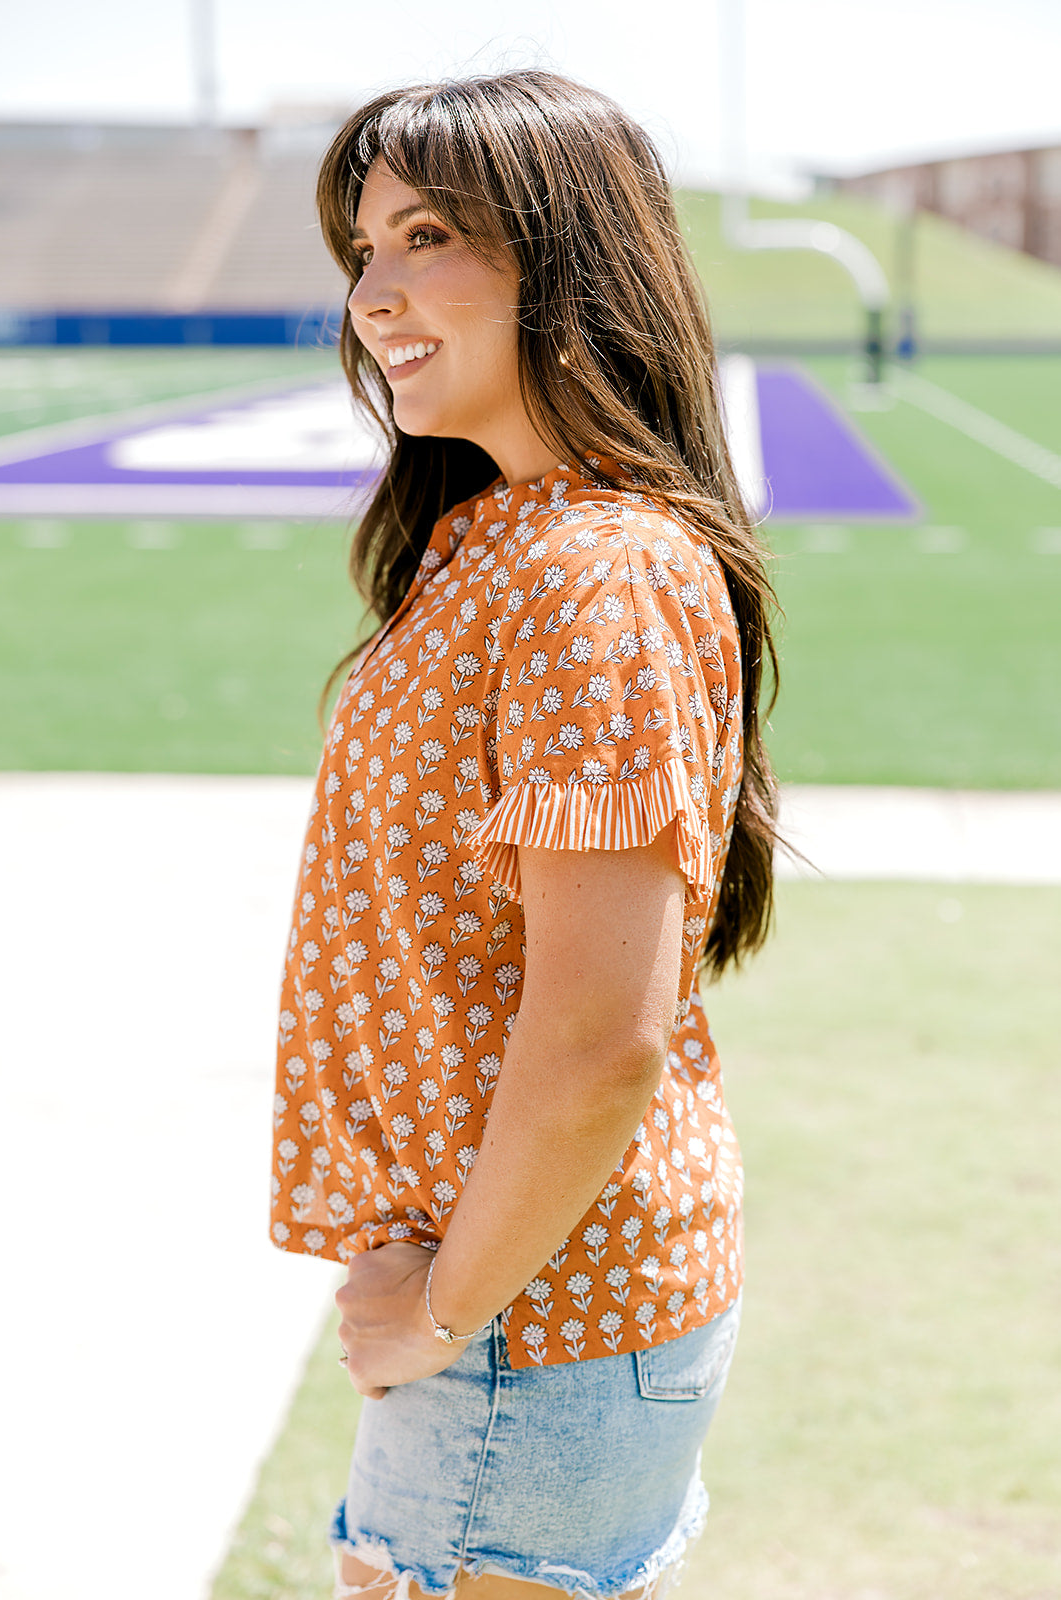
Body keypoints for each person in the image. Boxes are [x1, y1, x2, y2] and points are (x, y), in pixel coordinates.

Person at [270, 69, 780, 1600]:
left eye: (425, 235)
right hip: (514, 1294)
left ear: (564, 257)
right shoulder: (493, 532)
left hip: (527, 1318)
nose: (375, 292)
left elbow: (597, 1034)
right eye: (363, 250)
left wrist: (440, 1312)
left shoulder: (598, 571)